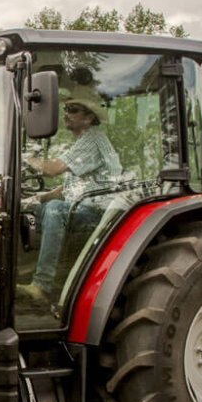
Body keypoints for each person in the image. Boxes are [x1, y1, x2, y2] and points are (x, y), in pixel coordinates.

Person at [20, 86, 121, 305]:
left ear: (89, 117)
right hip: (82, 206)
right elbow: (67, 189)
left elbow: (53, 169)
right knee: (21, 208)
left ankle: (42, 284)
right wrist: (31, 201)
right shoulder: (81, 144)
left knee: (55, 209)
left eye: (73, 109)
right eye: (66, 108)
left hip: (100, 213)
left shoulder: (92, 140)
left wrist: (24, 158)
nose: (66, 113)